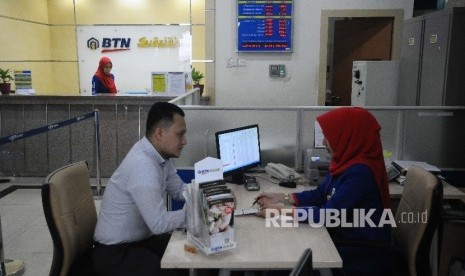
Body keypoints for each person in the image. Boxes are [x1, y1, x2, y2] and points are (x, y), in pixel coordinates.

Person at [256, 107, 392, 276]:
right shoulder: (345, 162)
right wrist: (282, 197)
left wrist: (281, 211)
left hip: (359, 249)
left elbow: (327, 216)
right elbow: (320, 194)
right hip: (338, 235)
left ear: (347, 135)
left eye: (329, 136)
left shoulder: (360, 173)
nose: (324, 142)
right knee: (280, 253)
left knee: (281, 266)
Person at [92, 102, 188, 276]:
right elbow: (159, 223)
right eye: (179, 134)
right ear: (160, 133)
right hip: (115, 254)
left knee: (186, 255)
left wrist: (208, 194)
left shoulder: (161, 156)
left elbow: (179, 189)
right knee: (175, 271)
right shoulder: (143, 165)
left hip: (142, 240)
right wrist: (198, 213)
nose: (185, 141)